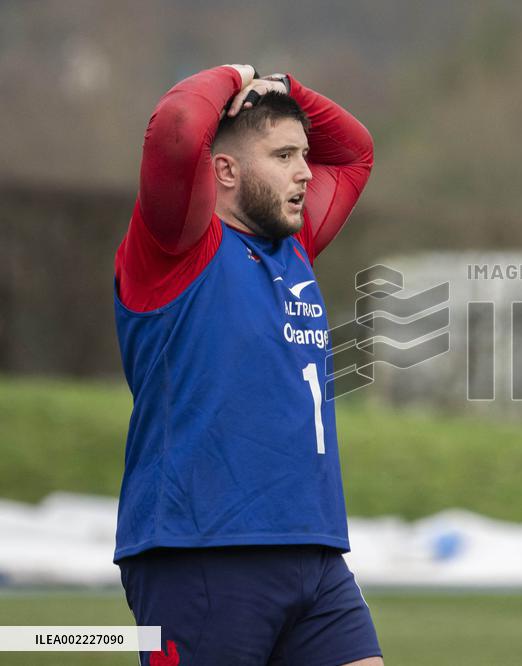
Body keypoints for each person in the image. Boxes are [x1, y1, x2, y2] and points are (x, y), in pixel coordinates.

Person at [113, 64, 381, 665]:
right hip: (203, 552)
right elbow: (180, 127)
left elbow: (357, 151)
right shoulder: (177, 245)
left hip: (314, 557)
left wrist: (284, 85)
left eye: (305, 155)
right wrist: (239, 73)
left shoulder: (293, 246)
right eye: (284, 155)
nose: (306, 171)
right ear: (225, 171)